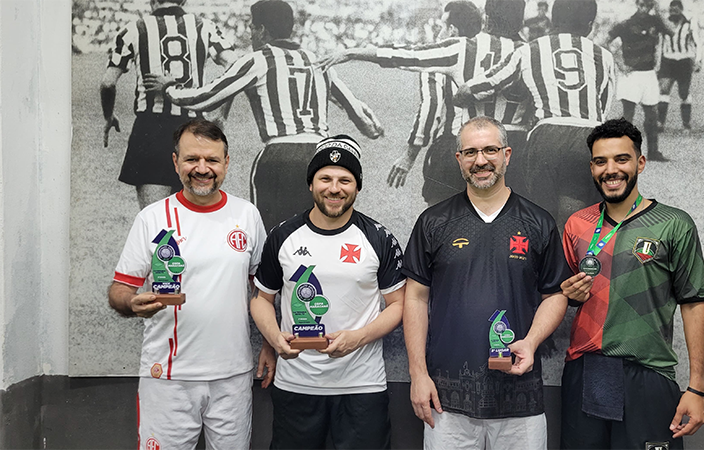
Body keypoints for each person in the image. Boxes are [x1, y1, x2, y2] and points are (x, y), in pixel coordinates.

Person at [402, 116, 571, 449]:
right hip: (446, 399)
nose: (480, 161)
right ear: (459, 159)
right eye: (470, 152)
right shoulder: (433, 222)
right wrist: (418, 374)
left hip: (520, 398)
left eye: (490, 150)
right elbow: (415, 298)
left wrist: (532, 342)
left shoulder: (538, 222)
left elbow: (555, 294)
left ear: (507, 155)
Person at [143, 0, 383, 230]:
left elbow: (205, 96)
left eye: (252, 28)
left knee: (271, 237)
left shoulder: (257, 61)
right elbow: (358, 113)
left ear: (262, 30)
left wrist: (168, 87)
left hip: (279, 155)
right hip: (322, 157)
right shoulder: (316, 61)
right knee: (319, 233)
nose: (250, 35)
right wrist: (373, 130)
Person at [108, 119, 267, 450]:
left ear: (226, 163)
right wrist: (131, 303)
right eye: (192, 159)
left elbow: (262, 293)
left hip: (232, 375)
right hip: (168, 378)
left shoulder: (247, 215)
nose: (202, 168)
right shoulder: (152, 218)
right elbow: (120, 290)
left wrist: (270, 342)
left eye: (212, 160)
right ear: (175, 161)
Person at [559, 118, 704, 450]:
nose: (611, 169)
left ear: (640, 162)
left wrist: (696, 387)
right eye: (601, 161)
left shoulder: (674, 223)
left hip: (648, 373)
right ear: (592, 167)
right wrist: (568, 295)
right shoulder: (577, 224)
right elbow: (563, 294)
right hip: (586, 371)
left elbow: (694, 303)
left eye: (621, 159)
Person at [250, 135, 406, 450]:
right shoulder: (283, 235)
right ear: (311, 184)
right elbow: (261, 300)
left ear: (357, 187)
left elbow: (399, 305)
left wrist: (357, 338)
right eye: (325, 179)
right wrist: (274, 338)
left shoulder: (378, 238)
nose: (334, 188)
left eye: (345, 180)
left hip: (362, 386)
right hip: (296, 384)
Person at [318, 0, 531, 205]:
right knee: (513, 223)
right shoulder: (532, 52)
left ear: (488, 19)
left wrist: (352, 52)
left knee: (452, 221)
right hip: (517, 150)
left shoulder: (462, 48)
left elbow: (406, 55)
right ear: (520, 21)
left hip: (470, 146)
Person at [455, 0, 614, 228]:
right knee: (574, 210)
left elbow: (491, 81)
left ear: (552, 20)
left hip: (547, 134)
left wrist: (463, 93)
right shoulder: (604, 56)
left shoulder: (530, 49)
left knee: (541, 216)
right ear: (589, 25)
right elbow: (603, 108)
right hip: (588, 137)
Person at [101, 0, 237, 209]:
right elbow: (234, 65)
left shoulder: (133, 29)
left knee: (156, 218)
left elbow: (108, 83)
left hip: (151, 130)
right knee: (191, 217)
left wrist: (109, 116)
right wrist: (222, 113)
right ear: (183, 0)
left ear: (152, 1)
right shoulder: (204, 26)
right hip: (195, 129)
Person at [388, 1, 483, 206]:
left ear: (452, 30)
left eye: (442, 27)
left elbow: (431, 105)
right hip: (488, 149)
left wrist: (409, 156)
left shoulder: (440, 59)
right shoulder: (490, 56)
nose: (439, 33)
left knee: (441, 218)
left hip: (451, 147)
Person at [605, 0, 673, 161]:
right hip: (631, 75)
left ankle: (653, 151)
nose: (644, 8)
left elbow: (672, 32)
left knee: (652, 115)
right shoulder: (626, 24)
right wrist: (619, 63)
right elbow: (605, 41)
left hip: (648, 73)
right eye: (642, 4)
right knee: (628, 115)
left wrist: (658, 11)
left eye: (648, 5)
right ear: (637, 4)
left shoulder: (655, 21)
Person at [657, 0, 702, 131]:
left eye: (676, 10)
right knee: (664, 89)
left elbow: (697, 42)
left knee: (683, 93)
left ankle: (686, 123)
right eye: (671, 10)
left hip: (684, 60)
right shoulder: (665, 23)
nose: (673, 12)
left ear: (681, 10)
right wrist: (658, 63)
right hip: (668, 59)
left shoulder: (689, 23)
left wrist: (698, 60)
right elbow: (660, 43)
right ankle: (660, 123)